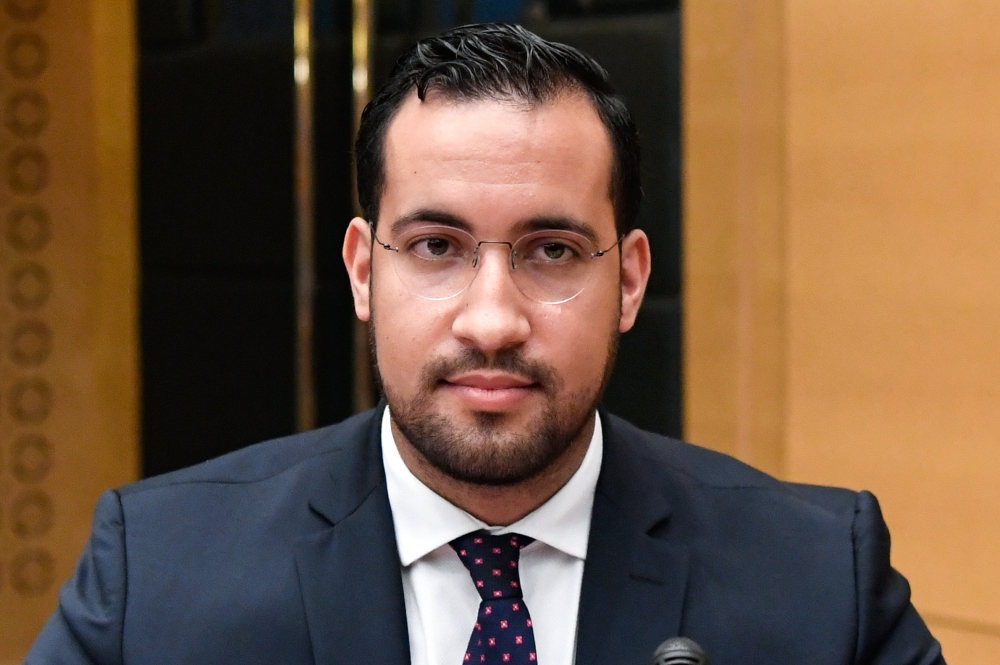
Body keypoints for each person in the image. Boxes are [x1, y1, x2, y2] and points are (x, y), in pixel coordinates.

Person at [28, 23, 944, 665]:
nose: (493, 319)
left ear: (629, 280)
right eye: (437, 248)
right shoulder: (158, 574)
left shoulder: (823, 581)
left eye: (551, 251)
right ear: (362, 270)